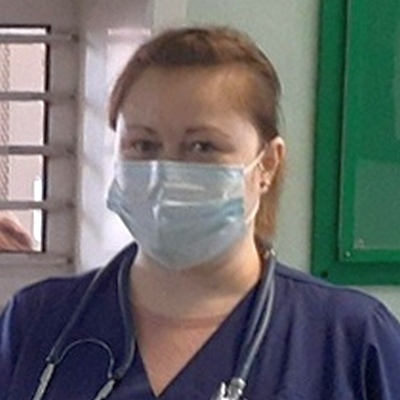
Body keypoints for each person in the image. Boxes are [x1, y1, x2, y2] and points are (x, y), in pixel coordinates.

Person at [1, 26, 400, 400]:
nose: (164, 172)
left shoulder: (351, 341)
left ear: (267, 164)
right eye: (143, 145)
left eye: (202, 147)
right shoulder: (35, 324)